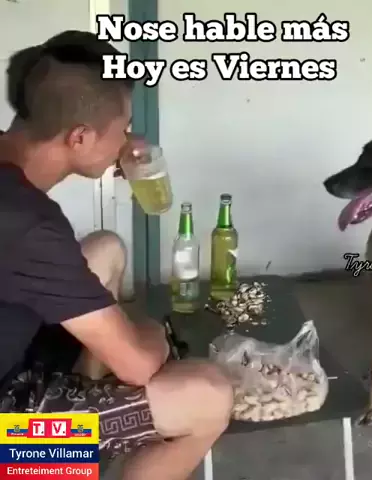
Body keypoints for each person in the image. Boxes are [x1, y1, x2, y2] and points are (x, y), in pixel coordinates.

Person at [0, 30, 233, 480]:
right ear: (80, 137)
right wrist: (155, 333)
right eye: (122, 128)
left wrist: (110, 150)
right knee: (207, 393)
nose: (127, 139)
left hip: (15, 355)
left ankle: (84, 426)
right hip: (10, 445)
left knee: (104, 249)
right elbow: (140, 365)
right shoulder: (27, 226)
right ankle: (53, 464)